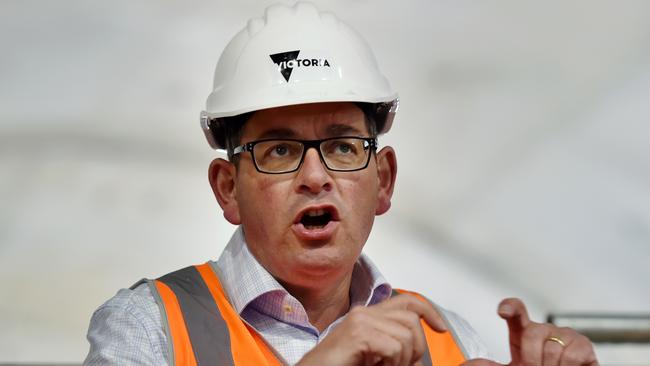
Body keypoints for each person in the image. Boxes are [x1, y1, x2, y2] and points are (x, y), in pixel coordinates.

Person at [84, 2, 599, 365]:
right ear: (227, 188)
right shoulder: (148, 328)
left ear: (384, 181)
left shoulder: (451, 341)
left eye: (342, 147)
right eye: (279, 150)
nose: (314, 177)